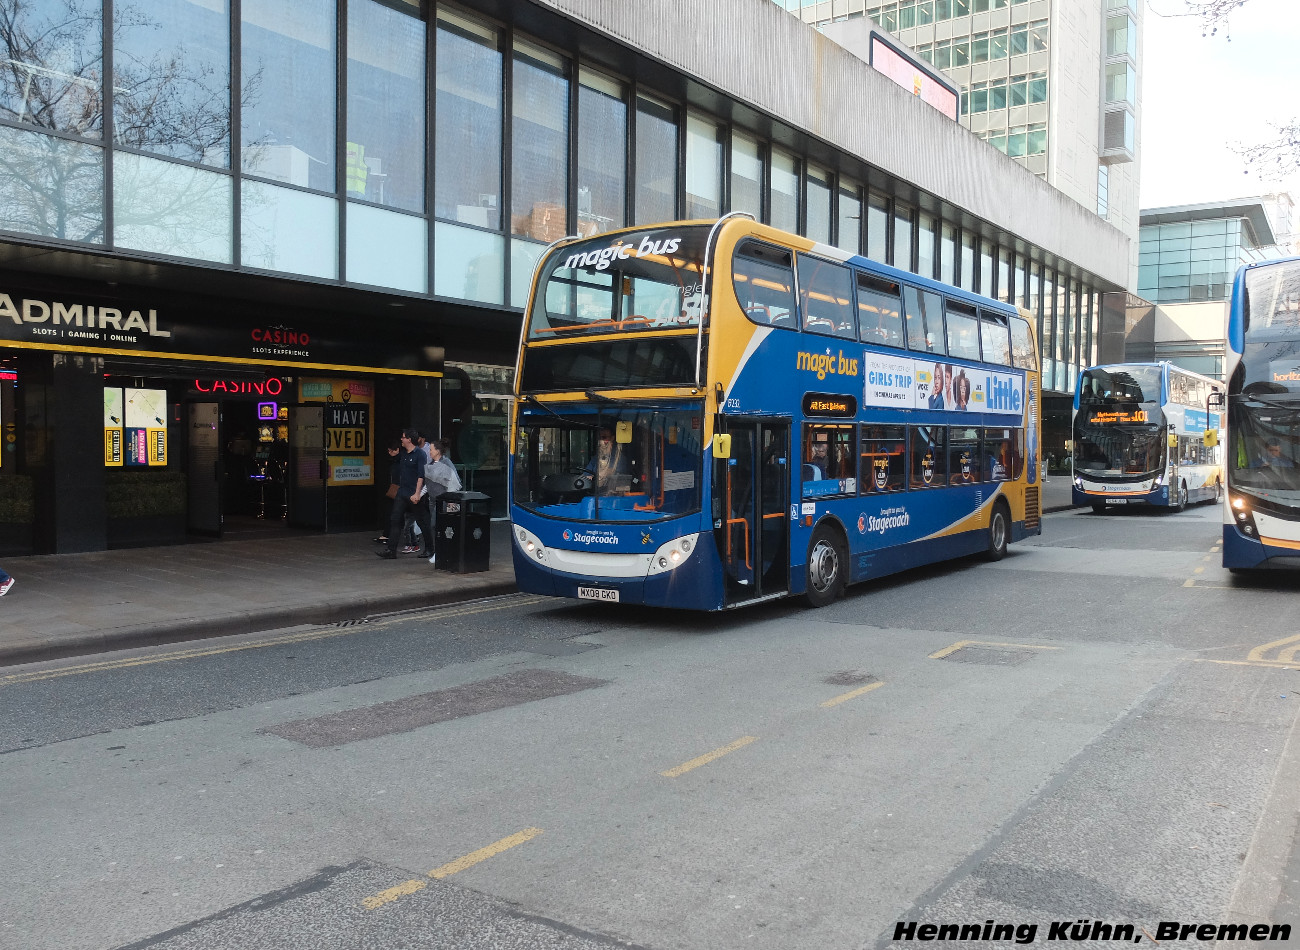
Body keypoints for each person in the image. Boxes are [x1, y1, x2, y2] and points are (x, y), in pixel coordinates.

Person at [378, 429, 432, 559]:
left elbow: (421, 475)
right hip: (402, 493)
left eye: (403, 437)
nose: (401, 439)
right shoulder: (403, 454)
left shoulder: (419, 454)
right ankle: (391, 550)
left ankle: (430, 549)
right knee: (395, 520)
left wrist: (418, 493)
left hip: (414, 494)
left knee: (422, 521)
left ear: (409, 439)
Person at [423, 439, 462, 565]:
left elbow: (455, 481)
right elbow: (428, 484)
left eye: (431, 449)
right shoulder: (431, 463)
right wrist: (419, 494)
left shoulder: (446, 463)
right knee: (437, 526)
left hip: (445, 500)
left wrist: (451, 500)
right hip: (434, 500)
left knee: (439, 525)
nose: (429, 451)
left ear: (438, 451)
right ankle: (441, 551)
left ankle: (442, 552)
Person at [584, 427, 631, 494]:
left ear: (612, 438)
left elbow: (618, 475)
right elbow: (587, 474)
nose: (601, 441)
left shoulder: (619, 458)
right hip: (595, 495)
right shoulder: (595, 459)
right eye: (599, 438)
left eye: (604, 437)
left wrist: (605, 473)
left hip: (613, 496)